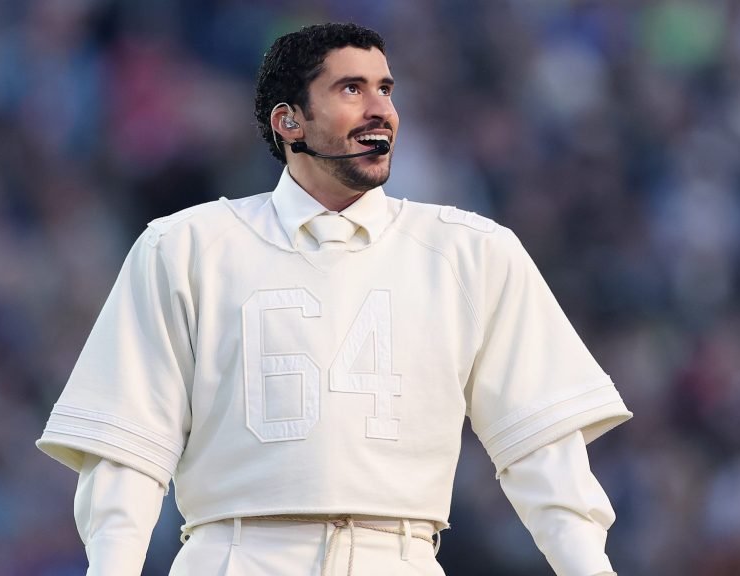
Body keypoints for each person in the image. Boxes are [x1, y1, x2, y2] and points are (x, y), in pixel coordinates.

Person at [37, 22, 631, 576]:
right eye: (352, 89)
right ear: (289, 121)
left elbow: (541, 449)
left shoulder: (472, 252)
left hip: (399, 554)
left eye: (386, 89)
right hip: (234, 554)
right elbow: (128, 450)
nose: (381, 109)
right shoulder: (185, 247)